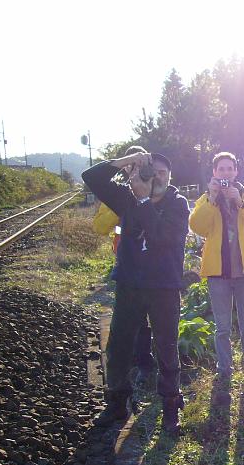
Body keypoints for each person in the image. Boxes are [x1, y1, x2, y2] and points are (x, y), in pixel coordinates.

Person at [82, 151, 190, 433]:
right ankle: (117, 402)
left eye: (163, 173)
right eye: (151, 172)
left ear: (170, 177)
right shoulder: (126, 198)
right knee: (118, 347)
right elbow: (91, 177)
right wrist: (126, 161)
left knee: (166, 348)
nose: (157, 178)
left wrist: (143, 200)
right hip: (130, 284)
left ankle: (170, 405)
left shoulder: (178, 204)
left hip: (164, 287)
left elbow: (160, 236)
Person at [189, 151, 244, 382]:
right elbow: (197, 226)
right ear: (214, 172)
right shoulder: (207, 198)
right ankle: (224, 368)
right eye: (221, 169)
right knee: (222, 327)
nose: (225, 173)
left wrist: (240, 203)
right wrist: (212, 199)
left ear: (236, 172)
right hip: (218, 273)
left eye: (229, 169)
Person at [92, 146, 156, 390]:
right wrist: (125, 164)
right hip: (128, 268)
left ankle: (146, 363)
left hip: (155, 270)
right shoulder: (119, 195)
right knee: (127, 326)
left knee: (149, 322)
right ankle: (127, 375)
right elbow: (100, 226)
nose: (137, 171)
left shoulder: (158, 191)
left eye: (142, 165)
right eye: (132, 166)